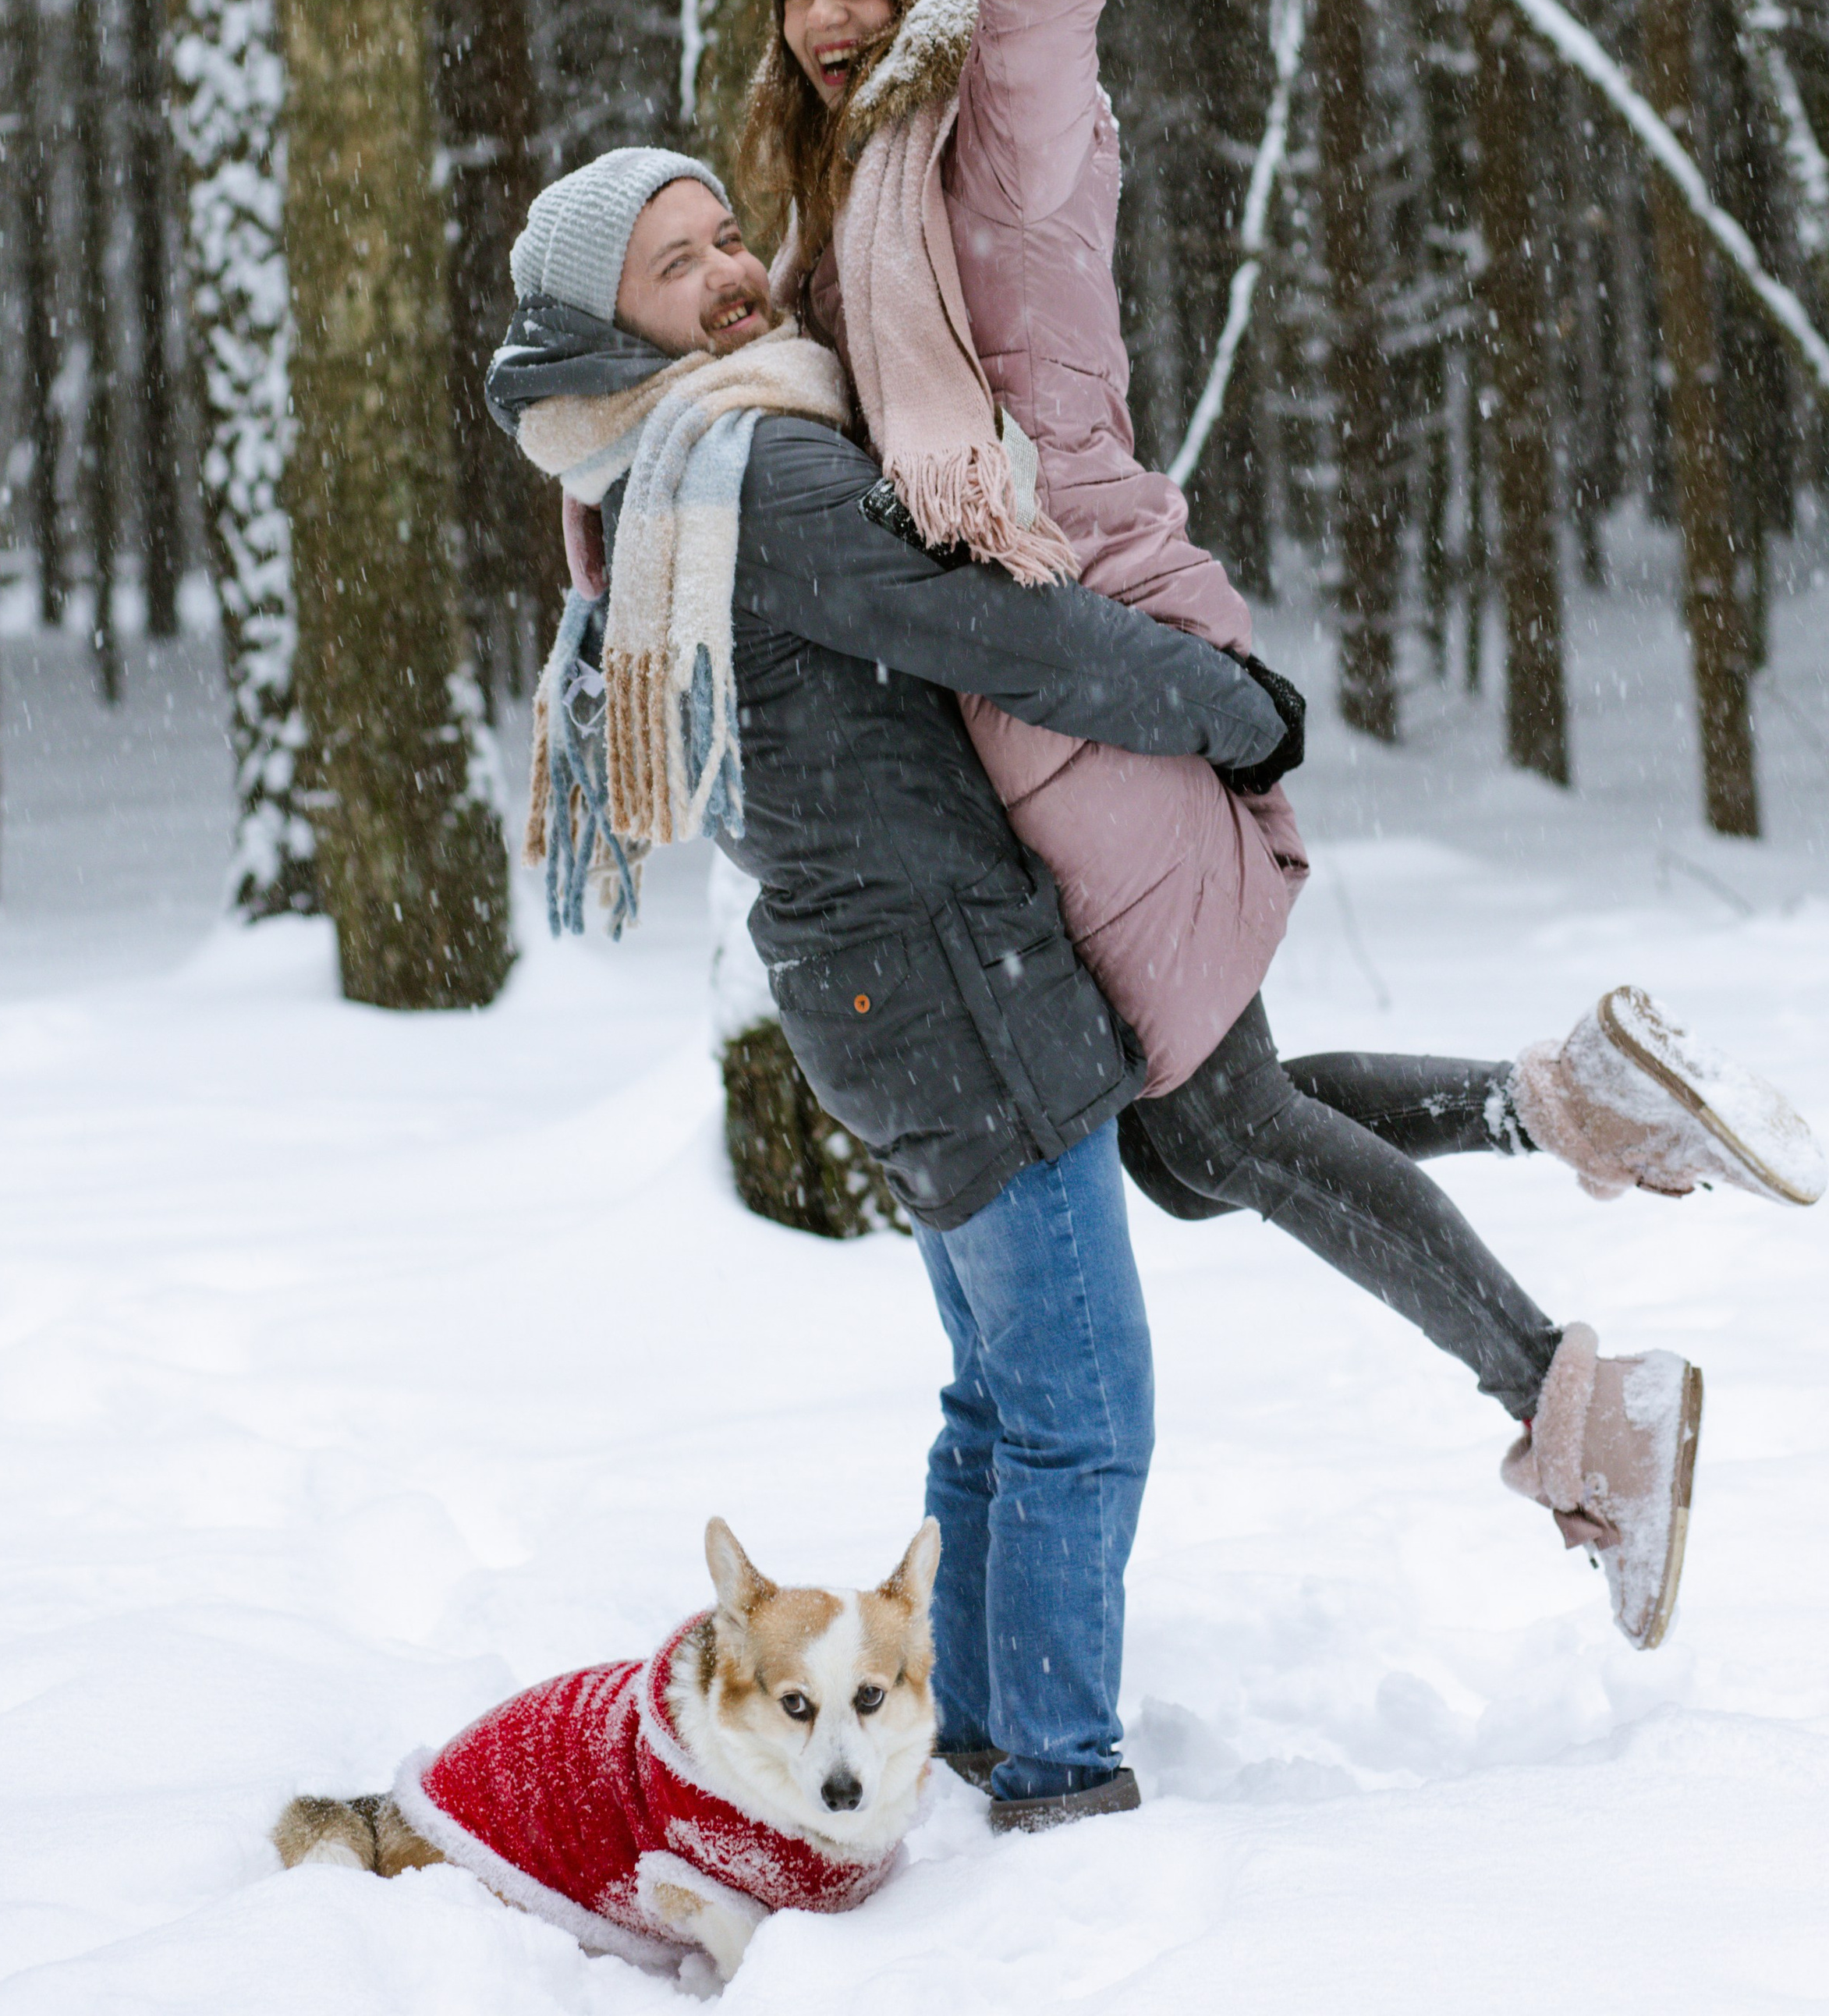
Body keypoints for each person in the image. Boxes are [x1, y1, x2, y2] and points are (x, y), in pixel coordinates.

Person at [660, 0, 1826, 1658]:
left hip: (1084, 633)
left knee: (1210, 1118)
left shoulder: (998, 131)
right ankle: (1569, 1106)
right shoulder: (840, 216)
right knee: (1202, 1131)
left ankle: (1580, 1402)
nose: (828, 10)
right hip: (1022, 679)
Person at [487, 147, 1294, 1827]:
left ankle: (984, 1726)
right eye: (673, 268)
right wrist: (1221, 703)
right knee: (1077, 1410)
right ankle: (1059, 1781)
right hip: (947, 979)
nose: (728, 275)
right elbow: (997, 629)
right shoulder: (756, 470)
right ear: (603, 325)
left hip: (869, 984)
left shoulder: (655, 471)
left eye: (725, 236)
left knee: (1000, 1394)